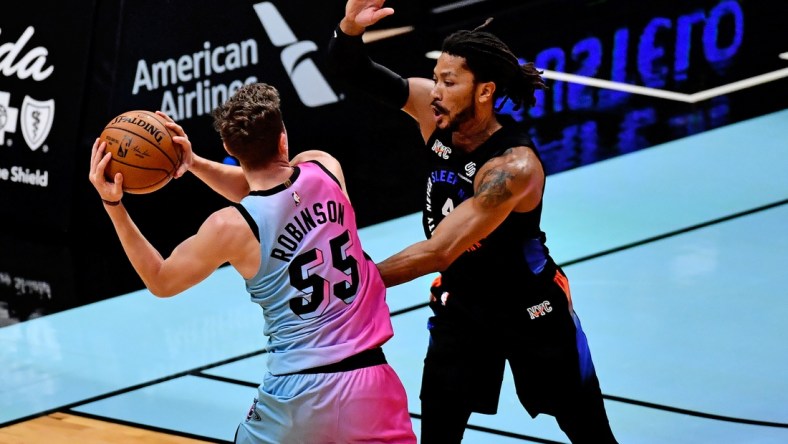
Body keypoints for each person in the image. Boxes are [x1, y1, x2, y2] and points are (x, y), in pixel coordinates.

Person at [324, 1, 619, 443]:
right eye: (437, 77)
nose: (436, 90)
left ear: (484, 91)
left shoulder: (512, 168)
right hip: (461, 308)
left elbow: (440, 249)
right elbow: (356, 70)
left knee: (591, 435)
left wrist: (352, 284)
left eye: (449, 81)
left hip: (531, 310)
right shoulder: (433, 112)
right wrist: (348, 29)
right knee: (439, 436)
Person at [88, 82, 416, 444]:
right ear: (283, 139)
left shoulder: (230, 227)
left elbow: (161, 280)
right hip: (372, 381)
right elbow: (272, 191)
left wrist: (114, 206)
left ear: (229, 149)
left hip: (298, 393)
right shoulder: (324, 169)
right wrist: (193, 163)